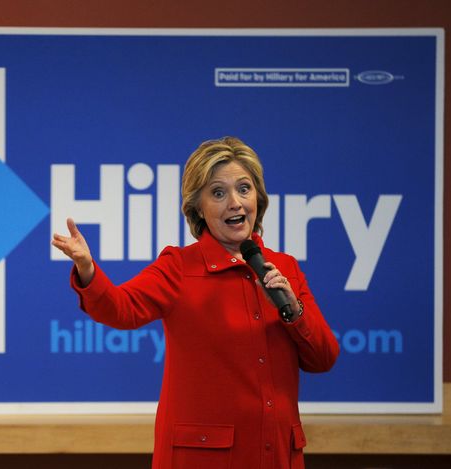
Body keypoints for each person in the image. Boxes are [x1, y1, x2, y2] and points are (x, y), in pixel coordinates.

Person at [51, 136, 339, 469]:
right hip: (203, 458)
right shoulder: (179, 266)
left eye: (244, 189)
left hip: (276, 456)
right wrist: (87, 268)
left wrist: (293, 310)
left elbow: (323, 358)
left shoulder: (284, 268)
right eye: (218, 193)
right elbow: (120, 308)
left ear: (258, 197)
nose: (235, 202)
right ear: (198, 207)